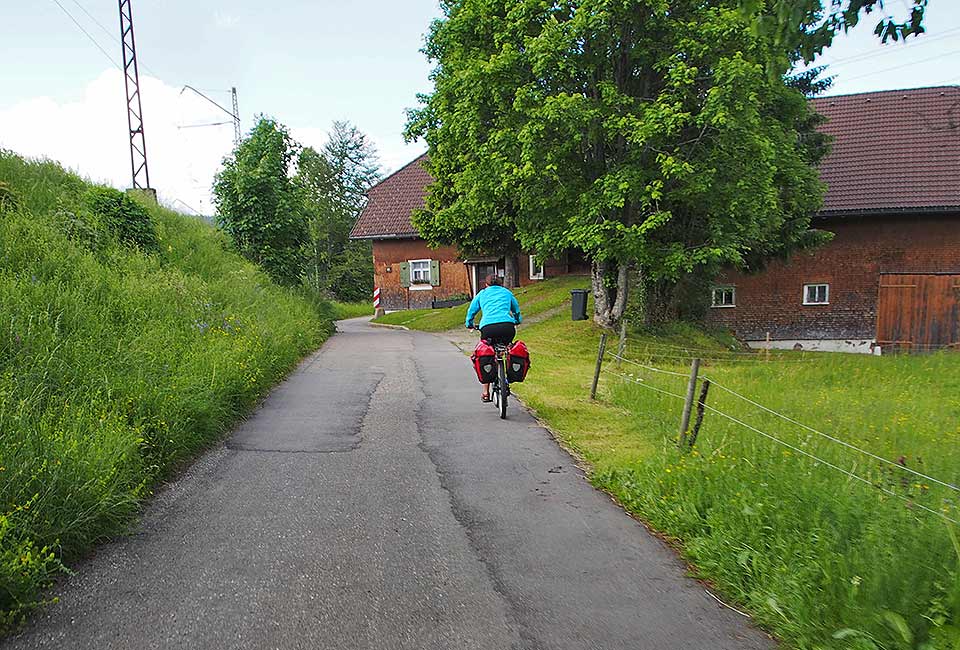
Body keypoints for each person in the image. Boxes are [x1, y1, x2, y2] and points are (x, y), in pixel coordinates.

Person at [465, 274, 522, 402]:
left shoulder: (482, 294)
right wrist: (517, 320)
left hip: (488, 328)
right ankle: (507, 378)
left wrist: (469, 323)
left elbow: (471, 311)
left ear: (486, 284)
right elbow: (516, 310)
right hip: (507, 328)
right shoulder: (507, 293)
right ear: (501, 284)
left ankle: (485, 392)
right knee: (507, 349)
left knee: (486, 355)